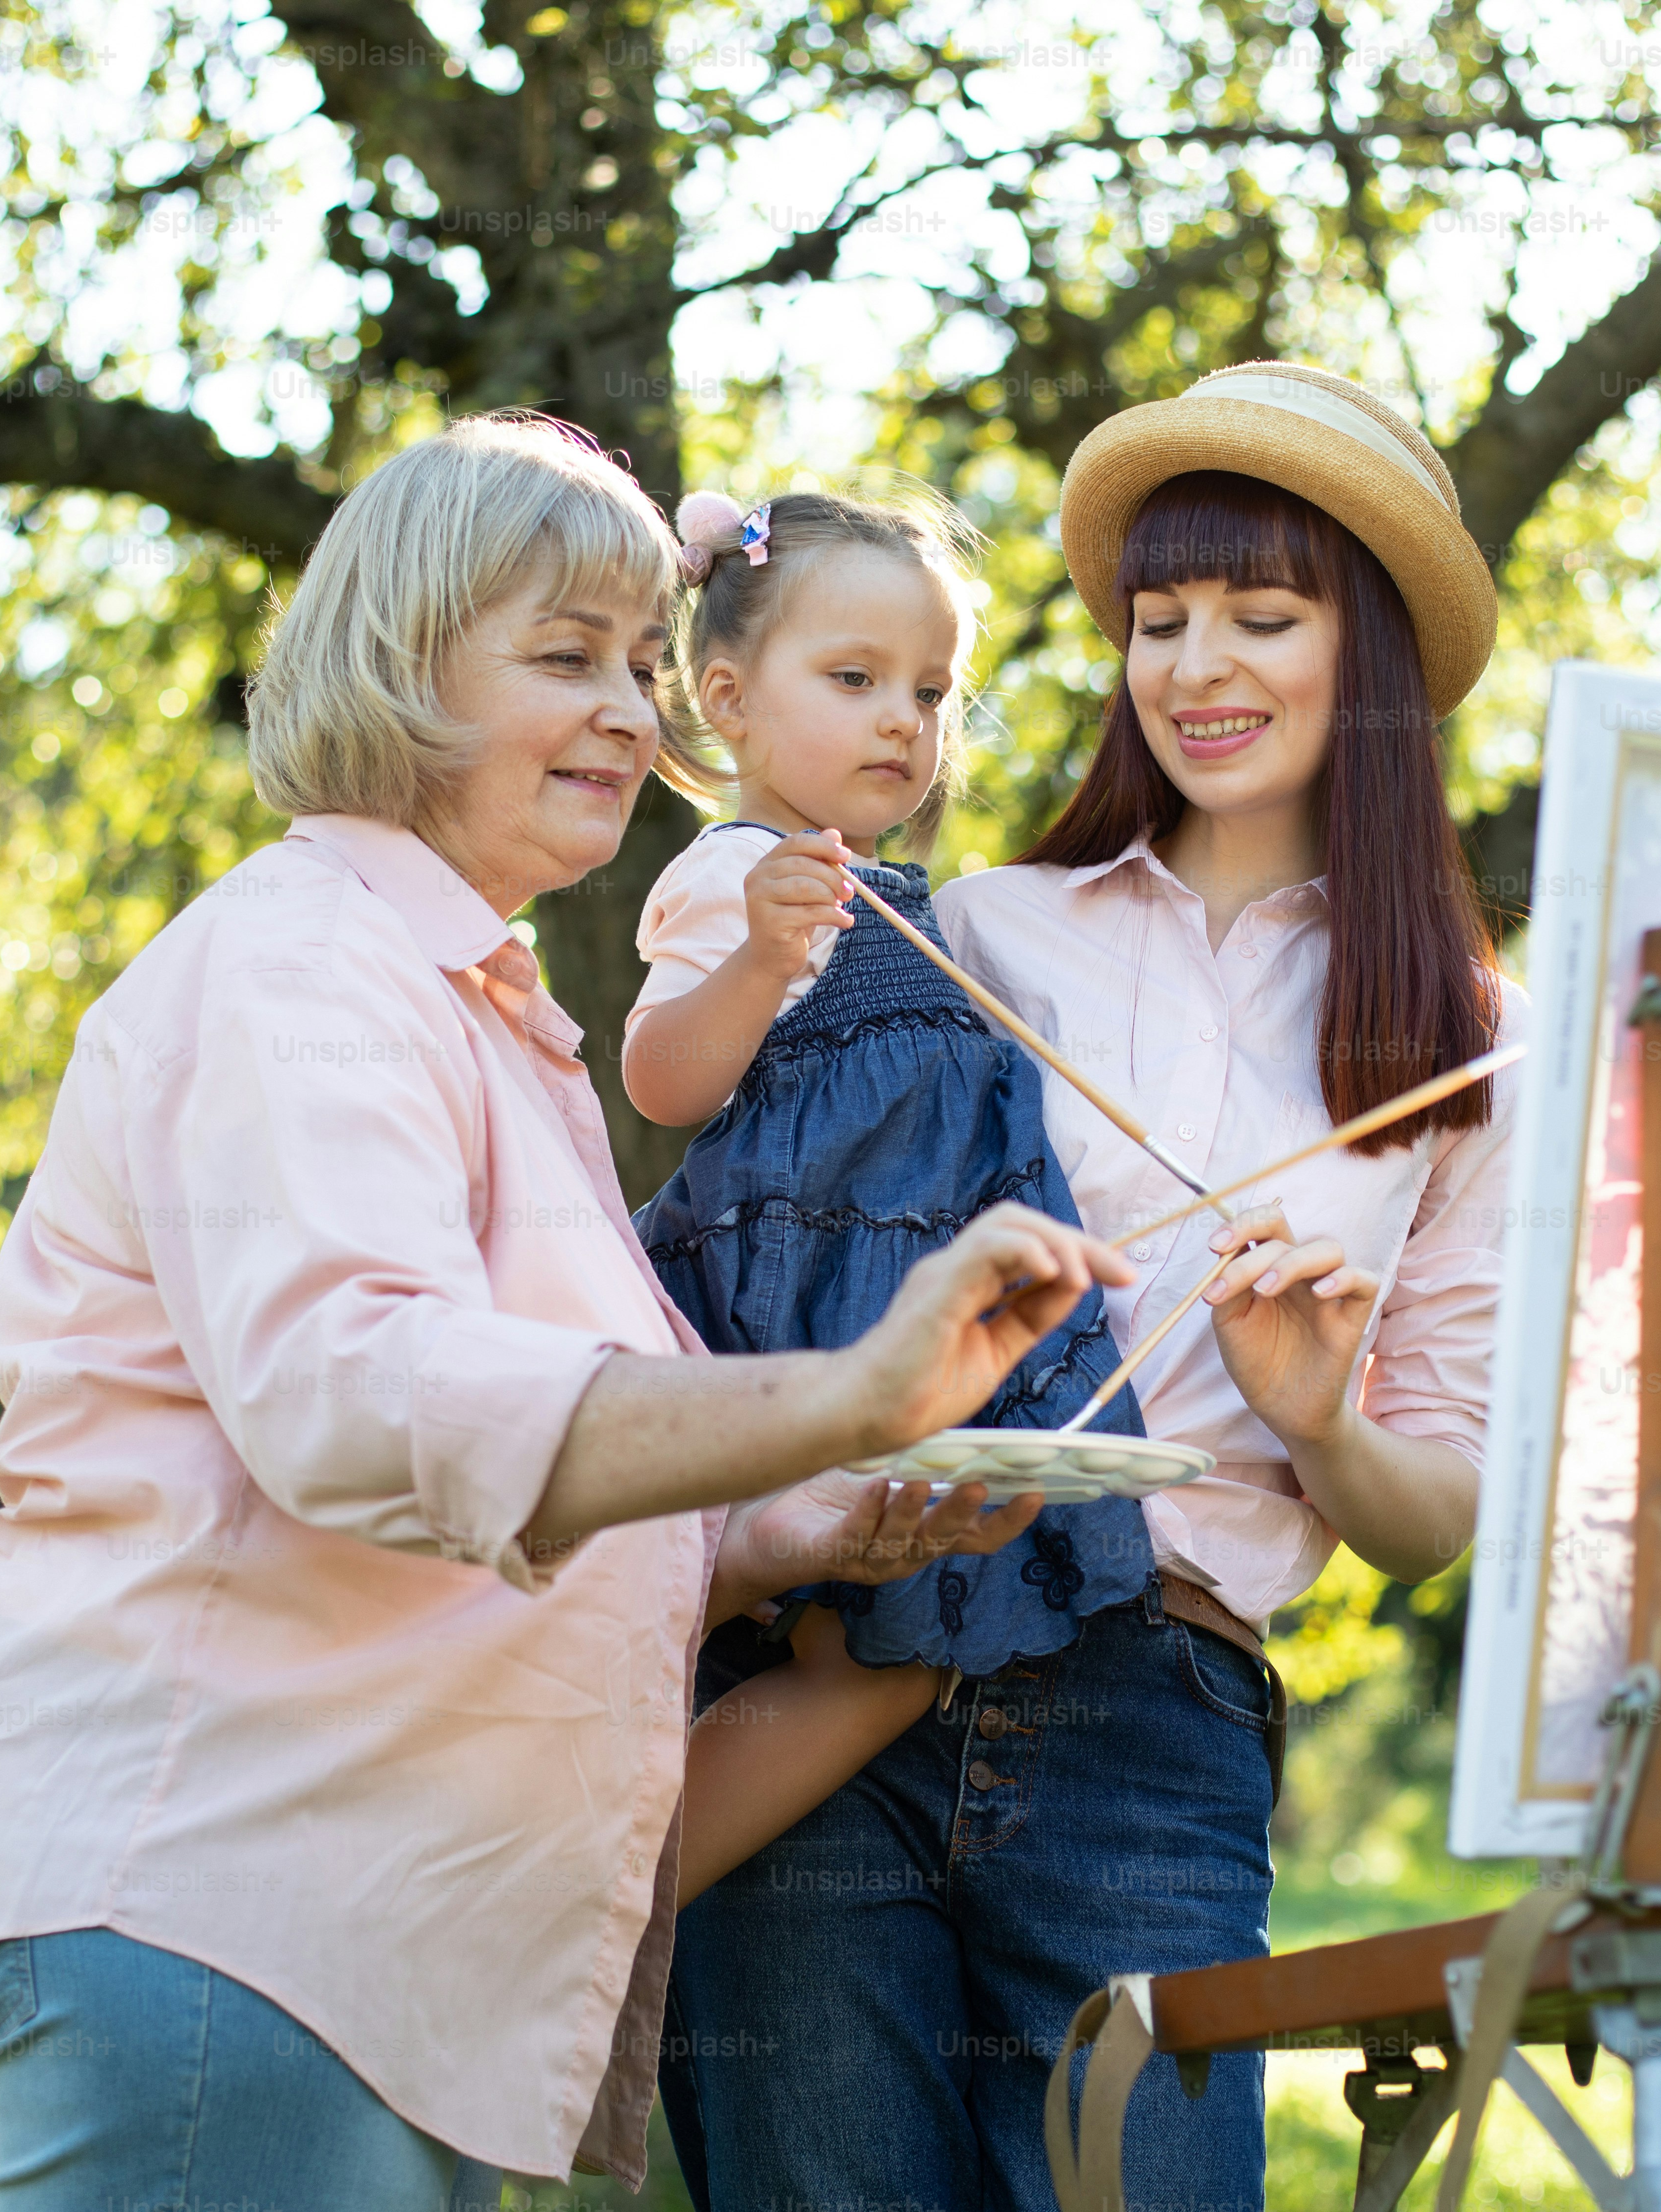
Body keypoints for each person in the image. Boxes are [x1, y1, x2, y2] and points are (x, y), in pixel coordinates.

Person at [0, 411, 1136, 2212]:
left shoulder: (490, 1017)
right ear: (399, 665)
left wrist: (809, 1533)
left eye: (640, 662)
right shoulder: (304, 967)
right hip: (232, 1896)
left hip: (383, 1933)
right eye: (566, 659)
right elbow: (362, 1398)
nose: (633, 710)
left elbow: (541, 1484)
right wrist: (846, 1392)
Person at [666, 362, 1532, 2212]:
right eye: (1160, 621)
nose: (1197, 665)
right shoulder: (967, 931)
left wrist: (1317, 1416)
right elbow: (728, 1226)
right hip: (849, 1648)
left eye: (1262, 617)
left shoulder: (1476, 1054)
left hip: (1156, 1716)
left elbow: (1437, 1509)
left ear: (1365, 657)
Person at [618, 487, 1157, 1904]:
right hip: (801, 1315)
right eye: (853, 682)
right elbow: (662, 1080)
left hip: (900, 1316)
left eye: (929, 690)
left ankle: (609, 1895)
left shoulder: (909, 894)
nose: (902, 723)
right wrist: (751, 959)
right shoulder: (740, 876)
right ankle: (603, 1898)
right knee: (853, 1655)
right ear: (727, 696)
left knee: (879, 1655)